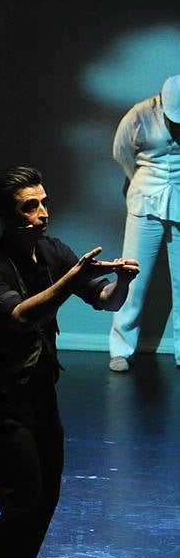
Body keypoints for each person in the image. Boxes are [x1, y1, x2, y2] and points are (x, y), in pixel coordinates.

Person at [0, 166, 137, 558]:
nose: (42, 214)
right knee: (21, 509)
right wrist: (74, 277)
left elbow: (102, 301)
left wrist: (119, 283)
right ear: (5, 213)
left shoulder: (55, 251)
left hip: (40, 395)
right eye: (28, 206)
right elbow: (21, 318)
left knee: (44, 504)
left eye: (43, 202)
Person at [107, 75, 179, 372]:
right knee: (132, 277)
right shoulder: (139, 115)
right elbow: (122, 152)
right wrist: (140, 181)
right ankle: (121, 348)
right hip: (146, 198)